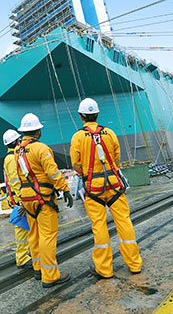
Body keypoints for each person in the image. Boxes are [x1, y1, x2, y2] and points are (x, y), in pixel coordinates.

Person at [70, 98, 143, 279]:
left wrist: (88, 173)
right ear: (97, 114)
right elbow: (116, 158)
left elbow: (75, 164)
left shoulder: (78, 137)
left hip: (93, 187)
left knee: (99, 226)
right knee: (124, 222)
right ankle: (134, 264)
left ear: (81, 117)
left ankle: (104, 269)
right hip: (114, 184)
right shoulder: (109, 133)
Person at [15, 113, 73, 288]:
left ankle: (38, 269)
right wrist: (65, 188)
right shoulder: (41, 148)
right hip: (43, 198)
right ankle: (50, 276)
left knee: (34, 234)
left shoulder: (18, 151)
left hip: (27, 197)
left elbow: (19, 175)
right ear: (37, 132)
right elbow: (53, 173)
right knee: (48, 236)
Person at [2, 129, 31, 269]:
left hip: (18, 199)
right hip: (20, 200)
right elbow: (15, 181)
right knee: (21, 230)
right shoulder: (11, 159)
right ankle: (22, 258)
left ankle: (25, 254)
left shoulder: (10, 157)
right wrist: (22, 200)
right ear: (16, 142)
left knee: (25, 229)